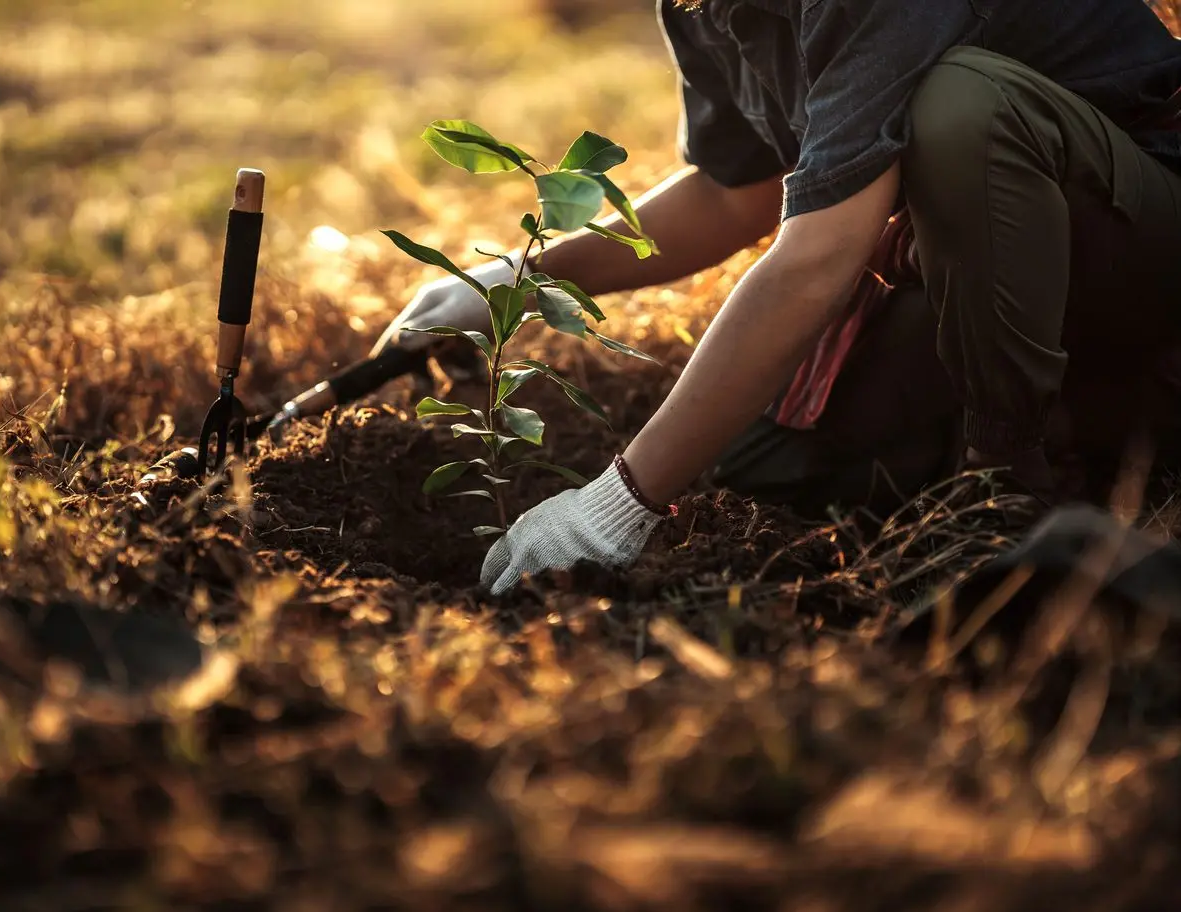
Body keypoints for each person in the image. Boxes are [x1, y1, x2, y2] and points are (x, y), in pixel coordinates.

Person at [372, 0, 1181, 595]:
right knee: (760, 476)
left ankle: (1010, 487)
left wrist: (617, 502)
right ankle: (1064, 436)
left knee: (963, 105)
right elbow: (736, 194)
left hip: (1141, 246)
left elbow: (818, 253)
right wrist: (517, 276)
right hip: (994, 278)